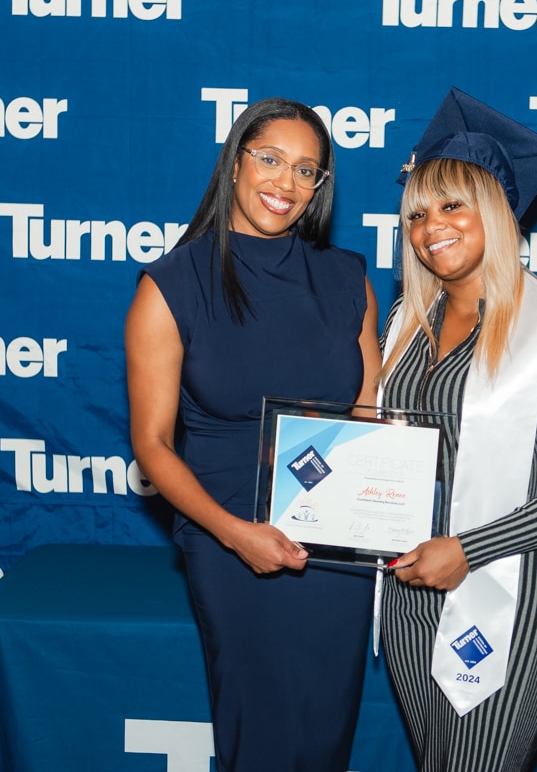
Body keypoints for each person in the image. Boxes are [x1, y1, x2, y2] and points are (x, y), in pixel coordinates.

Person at [125, 97, 381, 772]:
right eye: (270, 159)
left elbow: (366, 409)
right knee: (259, 732)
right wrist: (235, 533)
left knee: (324, 731)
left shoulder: (348, 277)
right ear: (236, 162)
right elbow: (152, 445)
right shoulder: (171, 285)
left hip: (336, 536)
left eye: (306, 170)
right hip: (228, 536)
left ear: (320, 186)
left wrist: (379, 512)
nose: (285, 182)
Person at [378, 88, 537, 771]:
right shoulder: (404, 325)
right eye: (417, 214)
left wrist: (470, 547)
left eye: (452, 206)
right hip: (410, 586)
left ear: (495, 209)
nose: (432, 228)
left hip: (515, 590)